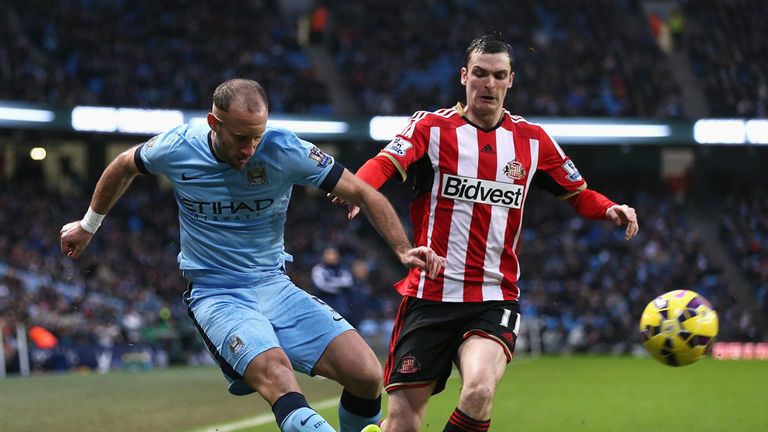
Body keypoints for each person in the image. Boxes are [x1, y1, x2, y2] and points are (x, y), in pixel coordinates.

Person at [59, 78, 444, 432]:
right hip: (216, 293)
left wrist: (401, 248)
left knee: (366, 374)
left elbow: (364, 191)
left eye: (256, 137)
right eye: (240, 137)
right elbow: (124, 165)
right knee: (278, 375)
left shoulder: (284, 147)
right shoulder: (178, 146)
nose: (249, 149)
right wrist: (88, 224)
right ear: (214, 122)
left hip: (274, 284)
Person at [339, 33, 639, 432]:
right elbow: (384, 162)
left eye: (499, 75)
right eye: (480, 74)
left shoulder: (533, 141)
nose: (489, 83)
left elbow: (578, 193)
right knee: (403, 423)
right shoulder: (431, 128)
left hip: (492, 296)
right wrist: (359, 188)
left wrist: (609, 208)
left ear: (511, 80)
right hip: (429, 296)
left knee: (479, 392)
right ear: (464, 77)